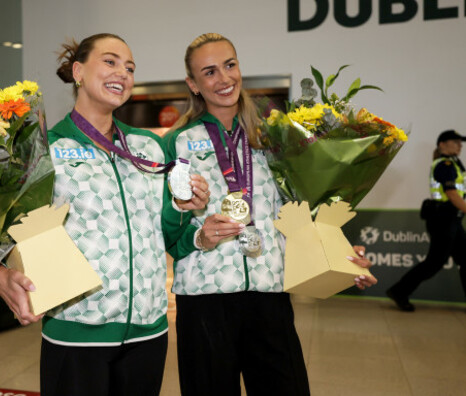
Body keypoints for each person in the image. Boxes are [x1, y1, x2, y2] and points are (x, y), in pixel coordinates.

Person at [0, 33, 209, 396]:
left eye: (130, 67)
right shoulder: (47, 148)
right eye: (110, 61)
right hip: (76, 333)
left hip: (148, 331)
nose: (122, 72)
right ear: (78, 71)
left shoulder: (147, 147)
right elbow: (0, 230)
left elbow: (167, 233)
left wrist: (187, 211)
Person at [163, 33, 378, 396]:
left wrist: (339, 254)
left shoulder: (275, 135)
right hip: (204, 301)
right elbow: (168, 232)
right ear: (193, 84)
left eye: (230, 65)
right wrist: (198, 238)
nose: (224, 78)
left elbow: (302, 209)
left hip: (269, 293)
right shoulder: (177, 141)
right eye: (209, 72)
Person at [387, 130, 466, 312]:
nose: (460, 145)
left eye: (460, 142)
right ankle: (399, 291)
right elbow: (452, 194)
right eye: (455, 141)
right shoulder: (444, 164)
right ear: (442, 145)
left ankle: (399, 291)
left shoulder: (454, 164)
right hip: (444, 220)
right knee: (435, 262)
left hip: (452, 219)